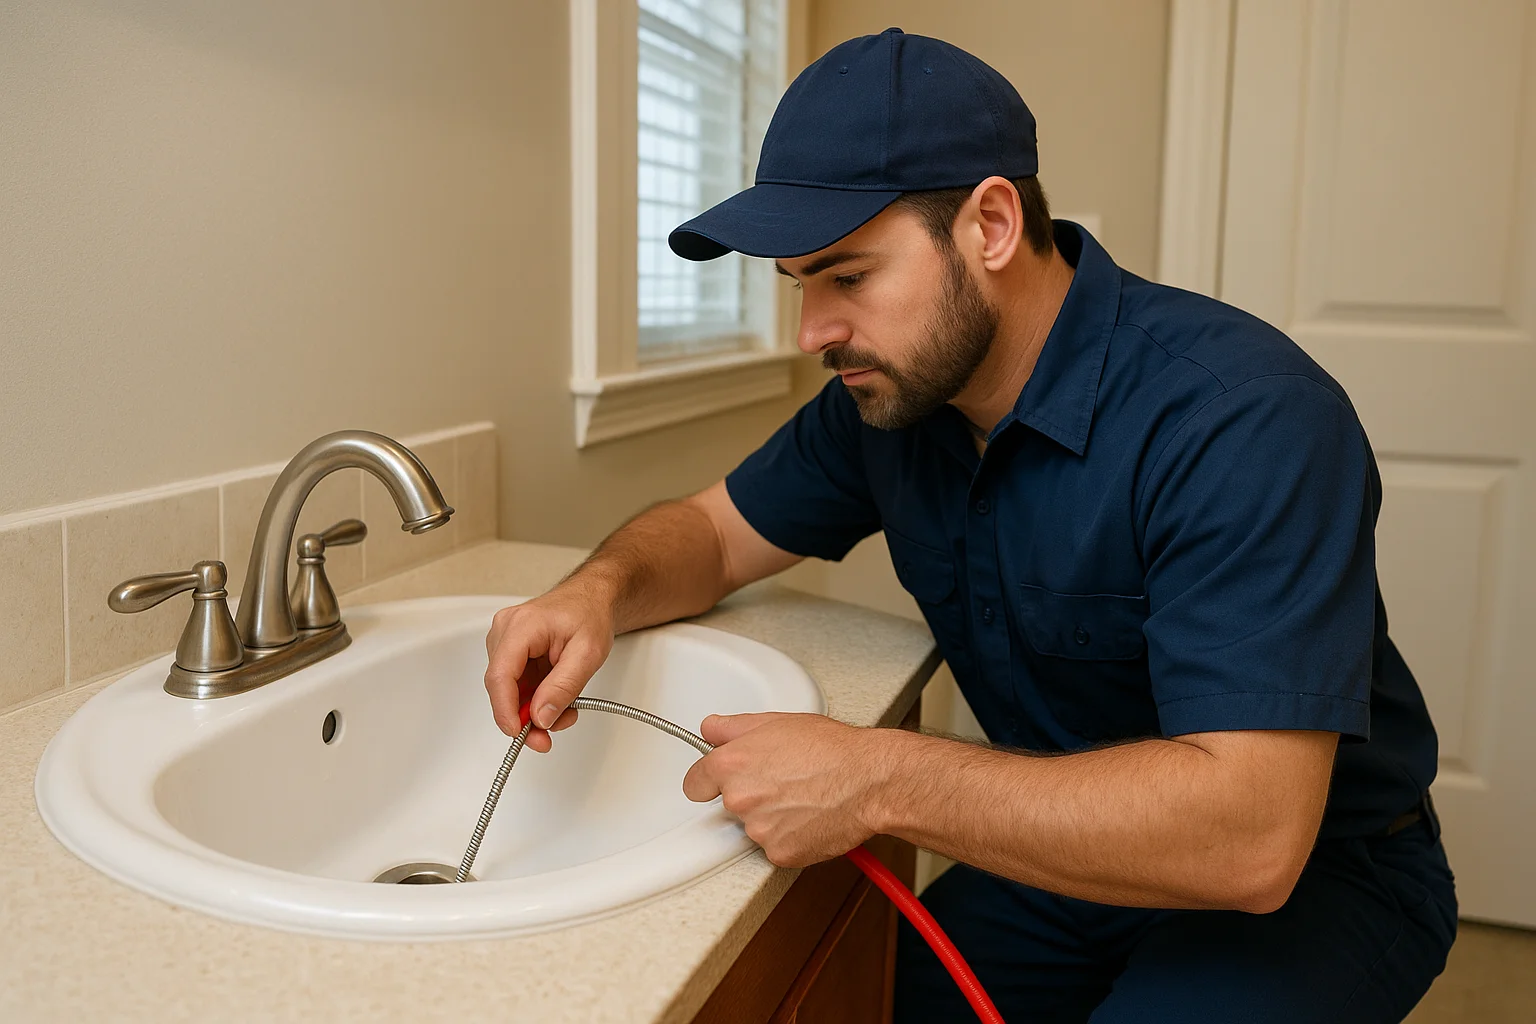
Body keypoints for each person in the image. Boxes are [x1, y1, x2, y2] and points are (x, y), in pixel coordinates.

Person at [483, 28, 1456, 1023]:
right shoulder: (893, 400)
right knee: (849, 998)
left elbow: (1249, 836)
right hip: (1064, 861)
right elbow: (716, 533)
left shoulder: (1244, 418)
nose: (813, 330)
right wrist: (595, 591)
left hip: (1321, 880)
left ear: (991, 224)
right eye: (800, 286)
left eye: (849, 277)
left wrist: (874, 777)